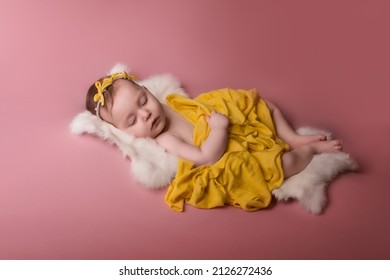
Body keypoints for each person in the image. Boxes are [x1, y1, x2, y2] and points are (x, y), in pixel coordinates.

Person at [85, 71, 342, 211]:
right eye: (132, 120)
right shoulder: (166, 139)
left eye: (143, 101)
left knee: (263, 104)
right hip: (229, 153)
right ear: (125, 133)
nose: (146, 113)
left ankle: (292, 136)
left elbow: (196, 107)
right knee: (282, 164)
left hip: (226, 121)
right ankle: (309, 151)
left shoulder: (170, 103)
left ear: (149, 91)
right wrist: (219, 128)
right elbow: (206, 156)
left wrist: (222, 112)